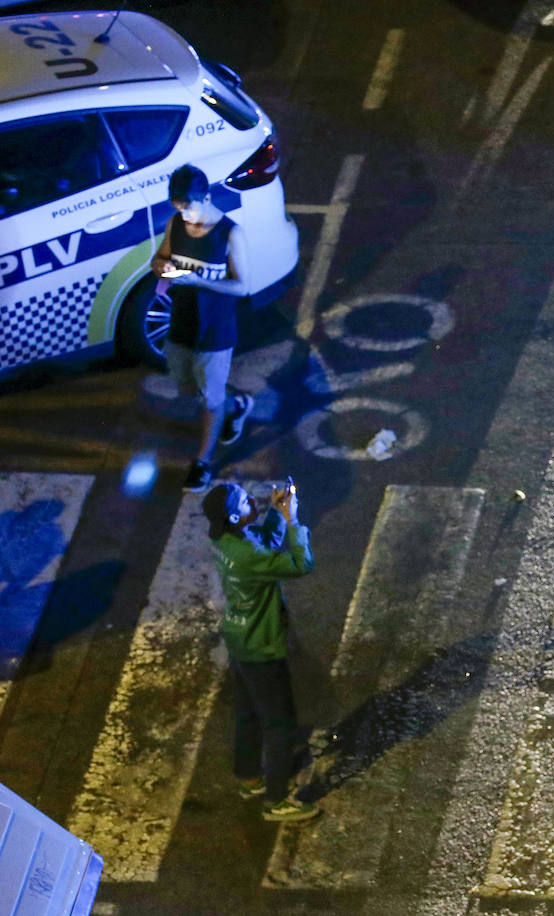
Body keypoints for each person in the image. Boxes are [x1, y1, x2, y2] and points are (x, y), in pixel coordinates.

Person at [202, 479, 318, 822]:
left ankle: (249, 775)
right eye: (245, 501)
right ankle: (276, 800)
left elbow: (262, 544)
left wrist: (276, 513)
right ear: (235, 518)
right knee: (280, 724)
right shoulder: (248, 553)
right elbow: (300, 564)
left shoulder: (225, 539)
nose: (253, 499)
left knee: (248, 711)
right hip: (262, 646)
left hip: (240, 638)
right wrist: (293, 521)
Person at [154, 164, 254, 493]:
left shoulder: (229, 233)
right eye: (179, 208)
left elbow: (242, 287)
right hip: (182, 322)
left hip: (215, 330)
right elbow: (159, 258)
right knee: (189, 390)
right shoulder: (175, 224)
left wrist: (198, 281)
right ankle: (238, 406)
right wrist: (163, 267)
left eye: (189, 208)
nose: (185, 216)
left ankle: (203, 462)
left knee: (210, 397)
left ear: (207, 197)